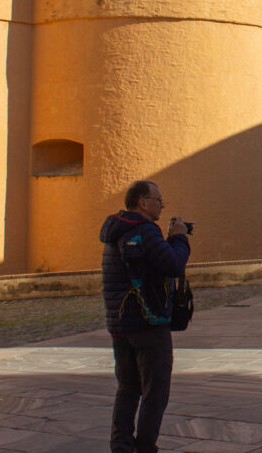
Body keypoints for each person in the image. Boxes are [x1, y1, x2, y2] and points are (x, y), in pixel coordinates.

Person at [100, 180, 191, 453]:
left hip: (120, 324)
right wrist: (179, 237)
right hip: (149, 324)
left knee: (128, 387)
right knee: (156, 391)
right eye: (158, 199)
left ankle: (121, 445)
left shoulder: (115, 231)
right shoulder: (146, 230)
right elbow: (173, 264)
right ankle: (144, 446)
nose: (162, 205)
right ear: (143, 202)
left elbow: (149, 264)